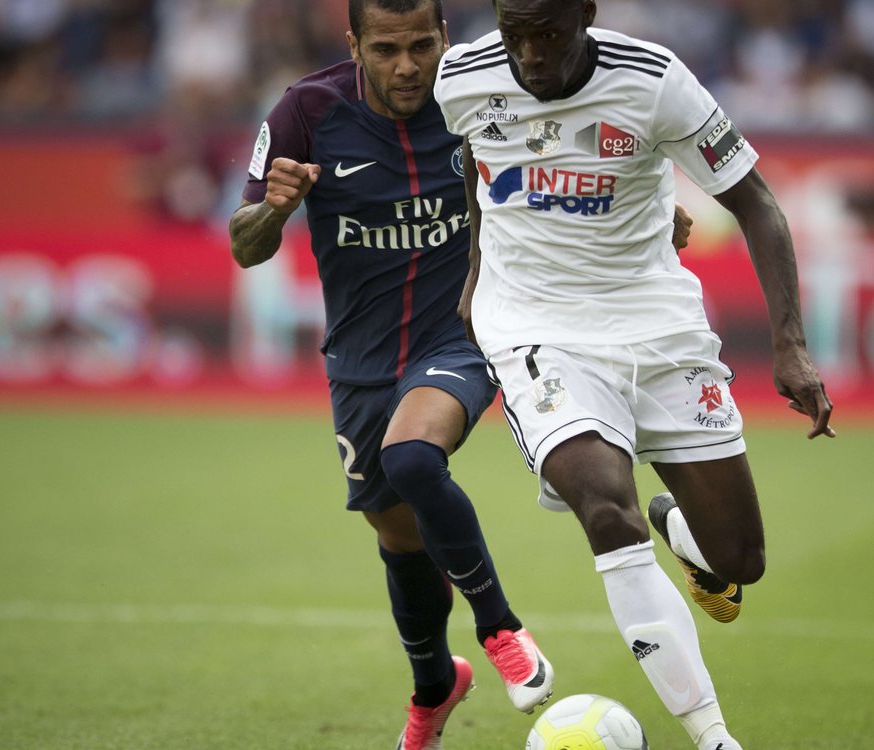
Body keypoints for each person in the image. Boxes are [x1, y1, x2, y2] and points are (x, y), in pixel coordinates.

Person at [435, 2, 834, 748]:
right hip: (535, 326)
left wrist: (791, 346)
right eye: (515, 33)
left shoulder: (655, 81)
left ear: (585, 13)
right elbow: (471, 160)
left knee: (740, 558)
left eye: (548, 33)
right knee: (606, 509)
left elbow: (757, 203)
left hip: (657, 325)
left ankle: (687, 538)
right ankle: (716, 739)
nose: (530, 54)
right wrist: (475, 267)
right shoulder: (461, 75)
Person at [227, 2, 563, 747]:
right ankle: (433, 689)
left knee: (412, 455)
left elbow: (562, 162)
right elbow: (244, 246)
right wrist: (275, 210)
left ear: (445, 39)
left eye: (421, 46)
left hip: (463, 331)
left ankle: (501, 630)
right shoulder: (304, 112)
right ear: (354, 46)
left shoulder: (478, 95)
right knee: (399, 535)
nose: (408, 66)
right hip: (360, 357)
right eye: (386, 49)